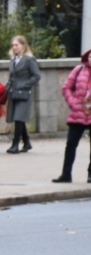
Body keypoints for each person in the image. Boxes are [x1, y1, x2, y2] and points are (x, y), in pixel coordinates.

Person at [52, 49, 91, 183]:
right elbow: (66, 87)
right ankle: (66, 174)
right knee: (71, 143)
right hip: (78, 112)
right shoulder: (79, 70)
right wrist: (73, 102)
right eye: (90, 56)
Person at [5, 36, 39, 153]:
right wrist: (7, 87)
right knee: (17, 118)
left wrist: (24, 85)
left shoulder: (29, 59)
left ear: (24, 45)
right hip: (13, 91)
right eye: (13, 45)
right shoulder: (13, 60)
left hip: (24, 93)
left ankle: (15, 145)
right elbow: (12, 76)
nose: (14, 47)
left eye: (17, 45)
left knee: (19, 117)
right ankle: (27, 142)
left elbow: (36, 76)